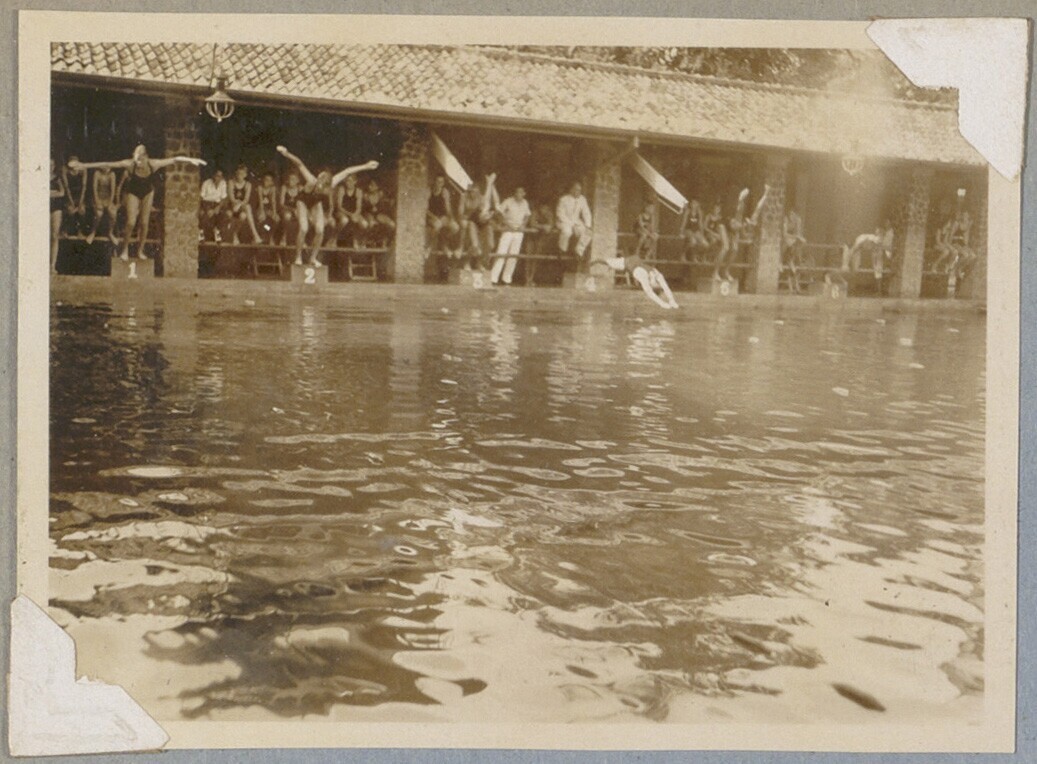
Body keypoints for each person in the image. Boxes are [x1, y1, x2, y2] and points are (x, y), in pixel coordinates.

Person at [69, 145, 206, 260]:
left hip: (148, 193)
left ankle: (140, 250)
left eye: (141, 160)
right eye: (137, 160)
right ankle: (124, 249)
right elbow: (107, 164)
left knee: (144, 223)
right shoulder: (130, 164)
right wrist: (83, 165)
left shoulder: (153, 164)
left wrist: (191, 160)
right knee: (131, 222)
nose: (139, 163)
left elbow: (174, 159)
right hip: (133, 192)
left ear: (146, 157)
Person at [275, 145, 378, 266]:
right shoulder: (312, 180)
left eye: (322, 187)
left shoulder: (332, 183)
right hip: (302, 202)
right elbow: (300, 164)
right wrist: (287, 154)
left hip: (315, 204)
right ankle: (298, 257)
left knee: (320, 230)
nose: (319, 188)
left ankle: (313, 258)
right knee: (304, 228)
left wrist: (366, 166)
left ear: (328, 186)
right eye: (319, 185)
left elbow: (347, 171)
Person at [591, 253, 679, 309]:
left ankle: (596, 261)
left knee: (607, 262)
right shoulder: (657, 275)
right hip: (634, 261)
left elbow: (649, 293)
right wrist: (671, 300)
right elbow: (665, 287)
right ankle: (596, 261)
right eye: (657, 284)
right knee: (605, 262)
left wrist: (663, 303)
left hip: (628, 264)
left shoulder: (643, 278)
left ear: (652, 287)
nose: (655, 284)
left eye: (654, 286)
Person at [718, 185, 769, 281]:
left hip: (735, 228)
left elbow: (759, 207)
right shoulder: (741, 215)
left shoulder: (750, 222)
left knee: (735, 250)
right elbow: (757, 208)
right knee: (726, 247)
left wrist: (765, 194)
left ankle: (726, 271)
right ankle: (716, 272)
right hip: (728, 225)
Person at [490, 186, 531, 285]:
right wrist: (507, 224)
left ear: (524, 194)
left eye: (521, 192)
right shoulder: (508, 201)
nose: (519, 194)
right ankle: (493, 278)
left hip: (518, 231)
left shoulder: (525, 203)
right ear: (514, 193)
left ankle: (507, 279)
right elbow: (499, 213)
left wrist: (523, 225)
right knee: (501, 253)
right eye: (517, 192)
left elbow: (527, 215)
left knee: (513, 255)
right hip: (508, 230)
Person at [459, 174, 499, 269]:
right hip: (474, 223)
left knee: (490, 245)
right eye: (472, 192)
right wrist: (489, 183)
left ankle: (480, 263)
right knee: (475, 245)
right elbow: (488, 195)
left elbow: (495, 198)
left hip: (485, 224)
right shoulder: (484, 202)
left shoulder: (496, 207)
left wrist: (491, 182)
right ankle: (466, 261)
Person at [84, 164, 122, 246]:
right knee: (99, 214)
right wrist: (97, 202)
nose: (106, 167)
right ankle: (93, 232)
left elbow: (112, 191)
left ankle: (110, 233)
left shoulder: (112, 174)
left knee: (113, 213)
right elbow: (94, 189)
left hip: (107, 198)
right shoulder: (97, 173)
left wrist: (110, 203)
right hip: (97, 198)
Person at [556, 181, 592, 258]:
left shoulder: (582, 199)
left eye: (579, 190)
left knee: (588, 233)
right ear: (571, 190)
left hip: (576, 221)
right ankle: (562, 250)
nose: (578, 192)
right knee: (567, 231)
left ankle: (579, 251)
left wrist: (587, 225)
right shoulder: (563, 199)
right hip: (564, 221)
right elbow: (560, 214)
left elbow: (586, 213)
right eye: (576, 189)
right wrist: (572, 225)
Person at [227, 164, 261, 244]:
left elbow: (246, 200)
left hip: (241, 207)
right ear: (236, 173)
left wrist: (239, 205)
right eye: (238, 173)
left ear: (245, 175)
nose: (240, 176)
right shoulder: (231, 182)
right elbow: (231, 198)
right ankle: (255, 235)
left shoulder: (248, 184)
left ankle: (235, 235)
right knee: (247, 208)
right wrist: (236, 204)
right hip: (232, 206)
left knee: (243, 215)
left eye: (242, 174)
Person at [426, 174, 459, 256]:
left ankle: (444, 243)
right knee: (437, 225)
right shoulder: (429, 191)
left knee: (455, 227)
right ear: (434, 182)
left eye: (441, 182)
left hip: (442, 217)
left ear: (443, 183)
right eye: (437, 181)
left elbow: (448, 208)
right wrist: (434, 217)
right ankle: (429, 247)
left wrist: (451, 218)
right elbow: (425, 210)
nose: (439, 184)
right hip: (431, 216)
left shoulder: (444, 192)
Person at [361, 179, 395, 247]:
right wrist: (370, 208)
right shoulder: (366, 196)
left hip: (379, 215)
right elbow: (364, 209)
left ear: (377, 187)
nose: (370, 187)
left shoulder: (381, 195)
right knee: (371, 223)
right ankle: (365, 241)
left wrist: (380, 209)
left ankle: (386, 241)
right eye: (369, 185)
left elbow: (386, 206)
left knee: (392, 224)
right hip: (369, 214)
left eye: (372, 185)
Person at [334, 173, 365, 247]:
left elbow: (359, 208)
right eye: (347, 181)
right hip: (342, 212)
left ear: (355, 182)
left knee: (364, 224)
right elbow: (339, 206)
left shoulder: (358, 191)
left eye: (350, 181)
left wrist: (355, 214)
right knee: (344, 220)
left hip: (354, 213)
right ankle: (334, 238)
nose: (348, 183)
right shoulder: (342, 189)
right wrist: (350, 214)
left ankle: (357, 240)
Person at [199, 169, 228, 242]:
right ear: (213, 176)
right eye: (217, 176)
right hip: (207, 203)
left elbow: (223, 198)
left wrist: (217, 208)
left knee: (223, 213)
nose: (218, 178)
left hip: (217, 204)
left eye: (220, 176)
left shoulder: (223, 183)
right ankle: (201, 233)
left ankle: (217, 231)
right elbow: (201, 197)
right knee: (203, 214)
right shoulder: (206, 183)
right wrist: (207, 209)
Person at [782, 209, 807, 293]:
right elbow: (784, 234)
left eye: (794, 215)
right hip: (787, 243)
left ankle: (796, 286)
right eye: (791, 214)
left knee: (796, 267)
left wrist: (798, 237)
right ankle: (791, 288)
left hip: (793, 244)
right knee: (791, 267)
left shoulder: (797, 221)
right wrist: (796, 237)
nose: (792, 216)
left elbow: (799, 233)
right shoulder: (786, 220)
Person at [63, 155, 88, 237]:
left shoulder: (83, 170)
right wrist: (71, 202)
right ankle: (66, 230)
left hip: (79, 195)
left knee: (82, 210)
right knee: (70, 211)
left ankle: (80, 231)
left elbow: (84, 186)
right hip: (69, 195)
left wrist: (81, 201)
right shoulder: (65, 170)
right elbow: (66, 187)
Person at [49, 158, 66, 273]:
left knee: (55, 236)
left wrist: (49, 193)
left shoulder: (57, 178)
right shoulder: (39, 177)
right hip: (43, 207)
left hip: (56, 207)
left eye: (52, 165)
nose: (50, 167)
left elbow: (62, 193)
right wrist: (53, 193)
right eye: (48, 165)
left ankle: (52, 265)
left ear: (54, 166)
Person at [255, 171, 280, 244]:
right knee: (261, 218)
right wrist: (262, 212)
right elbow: (260, 201)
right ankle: (261, 236)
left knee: (277, 219)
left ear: (272, 182)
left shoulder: (272, 189)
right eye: (266, 180)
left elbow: (273, 201)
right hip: (260, 209)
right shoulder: (260, 188)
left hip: (268, 209)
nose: (267, 182)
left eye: (269, 180)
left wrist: (274, 212)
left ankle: (270, 236)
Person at [279, 171, 303, 246]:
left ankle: (301, 239)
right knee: (287, 216)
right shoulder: (284, 188)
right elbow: (281, 203)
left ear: (297, 181)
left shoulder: (300, 188)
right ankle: (284, 237)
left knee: (302, 217)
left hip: (297, 209)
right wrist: (292, 210)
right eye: (290, 179)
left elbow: (302, 203)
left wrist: (298, 210)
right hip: (286, 209)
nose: (291, 181)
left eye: (293, 179)